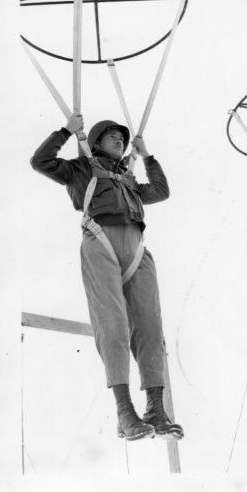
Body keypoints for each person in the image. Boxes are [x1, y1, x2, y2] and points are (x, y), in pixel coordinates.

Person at [31, 113, 184, 443]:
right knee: (113, 323)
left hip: (137, 247)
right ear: (96, 142)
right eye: (111, 135)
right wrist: (65, 132)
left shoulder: (127, 178)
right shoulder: (81, 169)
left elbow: (160, 191)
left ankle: (155, 408)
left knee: (150, 325)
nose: (119, 140)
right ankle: (124, 411)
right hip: (100, 238)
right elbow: (40, 161)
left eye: (122, 137)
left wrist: (147, 157)